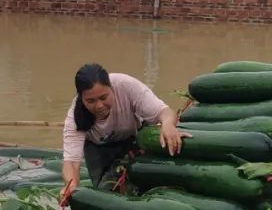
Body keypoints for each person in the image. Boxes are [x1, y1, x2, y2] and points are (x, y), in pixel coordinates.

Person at [61, 63, 187, 195]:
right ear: (81, 98)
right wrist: (71, 184)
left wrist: (168, 125)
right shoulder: (75, 118)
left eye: (104, 97)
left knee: (146, 184)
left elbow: (164, 112)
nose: (99, 106)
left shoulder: (126, 85)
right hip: (98, 148)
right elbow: (71, 162)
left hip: (133, 137)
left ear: (111, 88)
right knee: (106, 192)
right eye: (91, 101)